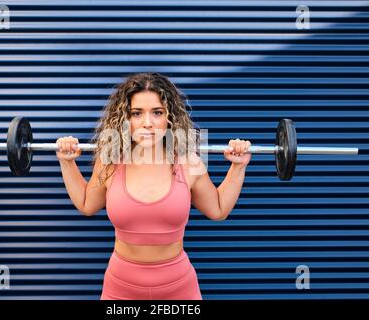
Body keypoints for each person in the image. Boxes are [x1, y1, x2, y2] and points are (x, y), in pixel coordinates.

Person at [56, 72, 251, 300]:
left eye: (157, 112)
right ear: (125, 118)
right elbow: (87, 204)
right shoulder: (110, 161)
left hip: (178, 288)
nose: (147, 123)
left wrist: (238, 166)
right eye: (137, 113)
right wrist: (66, 161)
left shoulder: (188, 162)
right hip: (121, 288)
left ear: (169, 117)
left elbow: (218, 209)